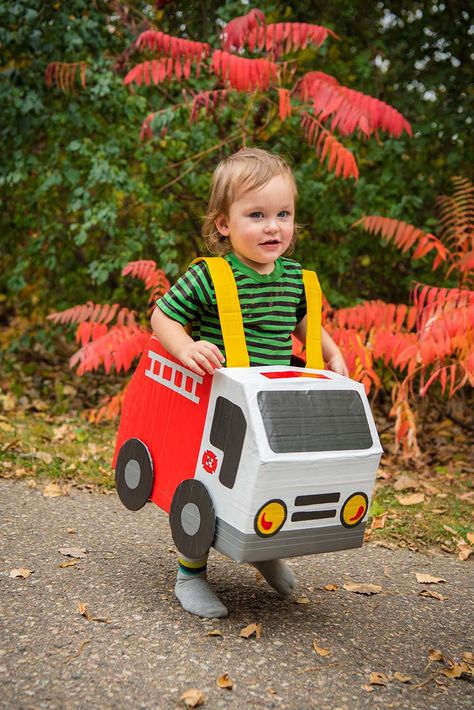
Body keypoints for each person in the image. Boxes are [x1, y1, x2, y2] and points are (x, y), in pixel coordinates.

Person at [150, 147, 348, 618]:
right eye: (256, 215)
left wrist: (333, 351)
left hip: (274, 406)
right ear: (224, 223)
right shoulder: (210, 276)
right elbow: (162, 317)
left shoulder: (295, 279)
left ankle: (263, 550)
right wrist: (185, 348)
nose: (273, 226)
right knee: (210, 487)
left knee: (270, 481)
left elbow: (305, 327)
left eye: (283, 214)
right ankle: (190, 573)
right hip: (221, 407)